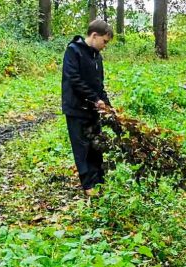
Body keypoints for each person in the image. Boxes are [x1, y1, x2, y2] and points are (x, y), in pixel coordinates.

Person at [62, 19, 113, 197]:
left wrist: (108, 105)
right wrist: (94, 99)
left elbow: (99, 85)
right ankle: (88, 185)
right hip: (76, 109)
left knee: (96, 146)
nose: (104, 46)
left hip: (92, 110)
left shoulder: (97, 57)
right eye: (104, 42)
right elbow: (73, 79)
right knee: (81, 148)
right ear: (94, 35)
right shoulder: (73, 51)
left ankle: (99, 180)